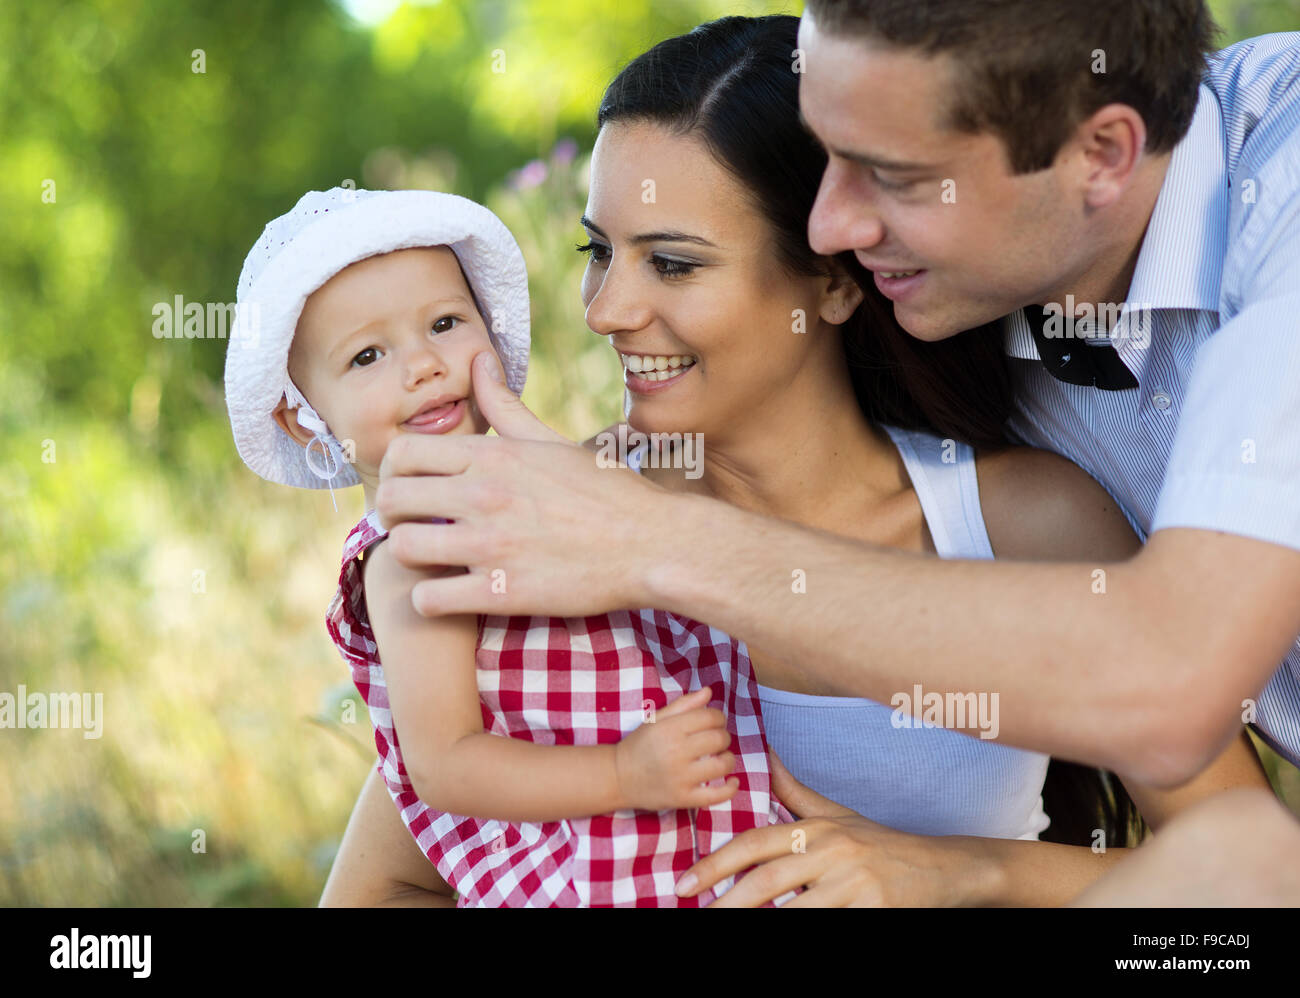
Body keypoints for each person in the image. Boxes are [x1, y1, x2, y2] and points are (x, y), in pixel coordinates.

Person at [326, 14, 1275, 907]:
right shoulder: (545, 532)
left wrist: (951, 872)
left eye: (674, 263)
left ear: (830, 277)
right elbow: (395, 875)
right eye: (597, 250)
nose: (605, 309)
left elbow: (1248, 886)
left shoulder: (1025, 518)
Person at [225, 186, 795, 907]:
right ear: (304, 420)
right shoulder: (412, 555)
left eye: (444, 323)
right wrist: (624, 773)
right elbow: (445, 763)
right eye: (367, 355)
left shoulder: (544, 492)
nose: (424, 365)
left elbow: (643, 498)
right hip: (586, 875)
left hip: (701, 852)